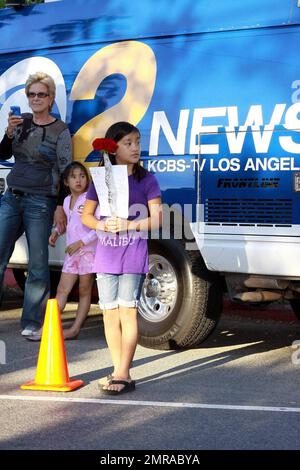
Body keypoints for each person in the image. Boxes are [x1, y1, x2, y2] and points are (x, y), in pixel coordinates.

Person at [82, 121, 162, 395]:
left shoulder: (147, 179)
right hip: (106, 254)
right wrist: (102, 225)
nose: (135, 148)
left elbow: (157, 219)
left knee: (128, 313)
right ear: (113, 148)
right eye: (128, 143)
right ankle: (118, 369)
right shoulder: (101, 180)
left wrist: (129, 225)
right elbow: (86, 216)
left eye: (137, 142)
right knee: (109, 314)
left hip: (133, 253)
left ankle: (123, 372)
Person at [0, 72, 72, 336]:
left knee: (39, 266)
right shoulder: (21, 122)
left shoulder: (60, 130)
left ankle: (32, 323)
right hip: (12, 196)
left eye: (42, 94)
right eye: (32, 94)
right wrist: (8, 133)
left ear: (51, 98)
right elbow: (3, 154)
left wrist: (60, 205)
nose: (36, 98)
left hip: (41, 201)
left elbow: (65, 169)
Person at [28, 162, 97, 341]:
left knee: (84, 290)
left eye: (82, 176)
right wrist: (56, 232)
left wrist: (81, 243)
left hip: (88, 253)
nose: (79, 180)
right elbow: (68, 224)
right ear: (66, 182)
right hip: (71, 253)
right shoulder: (66, 201)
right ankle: (47, 329)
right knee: (62, 289)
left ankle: (74, 329)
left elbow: (98, 228)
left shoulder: (90, 200)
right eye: (74, 177)